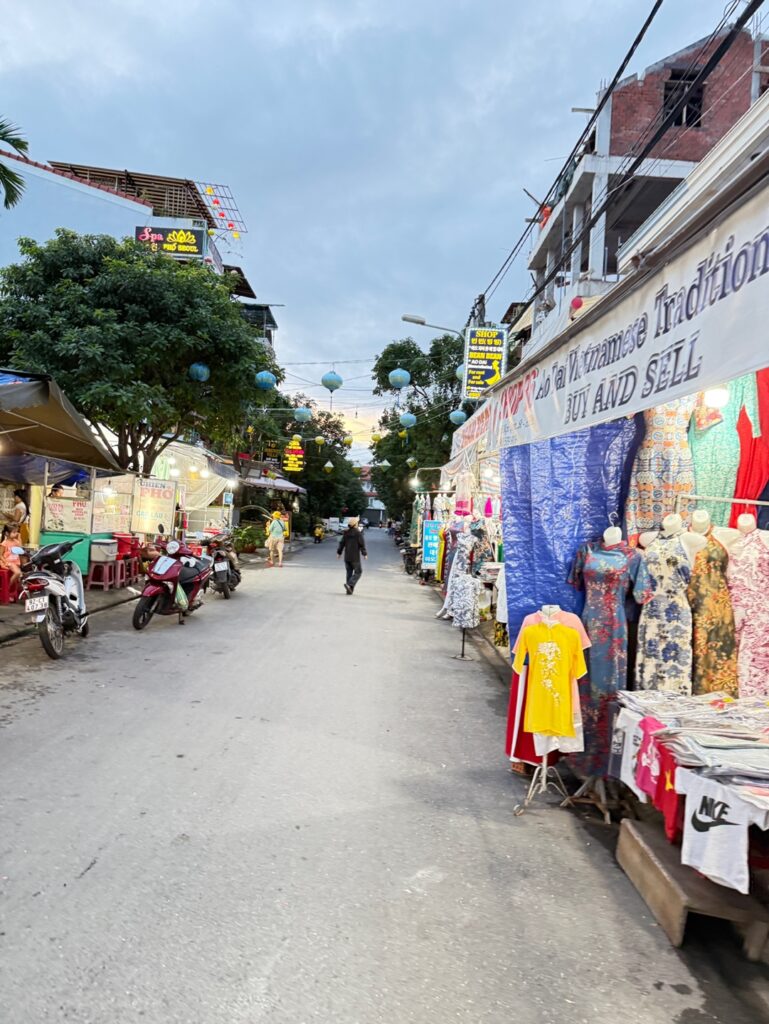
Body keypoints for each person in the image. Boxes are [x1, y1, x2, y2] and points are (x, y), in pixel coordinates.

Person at [337, 517, 367, 594]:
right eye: (357, 523)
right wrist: (364, 554)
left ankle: (349, 590)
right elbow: (362, 544)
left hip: (347, 557)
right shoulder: (358, 533)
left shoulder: (346, 533)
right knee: (358, 572)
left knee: (349, 573)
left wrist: (339, 553)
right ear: (355, 525)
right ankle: (349, 584)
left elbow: (342, 543)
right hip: (355, 557)